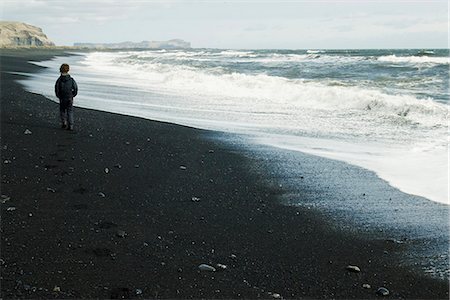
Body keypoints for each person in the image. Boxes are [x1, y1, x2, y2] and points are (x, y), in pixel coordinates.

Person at [55, 63, 78, 131]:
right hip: (70, 97)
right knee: (70, 111)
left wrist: (58, 95)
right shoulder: (71, 79)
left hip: (62, 97)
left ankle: (64, 122)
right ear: (68, 70)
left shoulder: (59, 80)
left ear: (60, 70)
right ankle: (70, 125)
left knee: (62, 110)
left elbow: (57, 88)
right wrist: (73, 94)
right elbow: (75, 88)